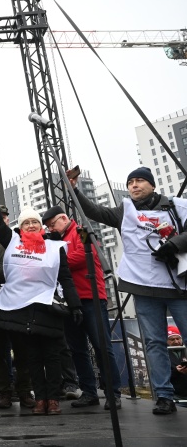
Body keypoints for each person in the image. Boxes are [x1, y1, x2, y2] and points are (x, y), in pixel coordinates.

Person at [71, 166, 187, 415]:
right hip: (143, 286)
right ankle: (164, 396)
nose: (134, 185)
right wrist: (73, 188)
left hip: (179, 286)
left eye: (140, 181)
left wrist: (174, 244)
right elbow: (95, 212)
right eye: (131, 182)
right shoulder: (126, 210)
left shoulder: (177, 206)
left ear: (152, 185)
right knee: (154, 343)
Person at [0, 184, 83, 416]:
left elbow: (66, 278)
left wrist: (75, 304)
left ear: (41, 226)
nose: (30, 225)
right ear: (20, 226)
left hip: (47, 306)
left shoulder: (54, 247)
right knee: (32, 358)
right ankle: (40, 399)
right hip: (21, 308)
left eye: (34, 222)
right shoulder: (13, 242)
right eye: (26, 222)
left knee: (52, 356)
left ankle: (53, 399)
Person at [42, 205, 123, 410]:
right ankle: (89, 391)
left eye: (53, 224)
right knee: (77, 349)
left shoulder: (83, 232)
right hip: (70, 299)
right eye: (49, 227)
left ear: (63, 218)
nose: (52, 229)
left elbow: (86, 256)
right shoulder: (56, 239)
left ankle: (113, 393)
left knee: (101, 346)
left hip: (90, 296)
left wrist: (57, 261)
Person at [0, 207, 35, 410]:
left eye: (5, 217)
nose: (2, 220)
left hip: (17, 299)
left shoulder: (17, 239)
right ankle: (4, 392)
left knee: (22, 349)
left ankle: (24, 391)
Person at [167, 326, 187, 397]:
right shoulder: (163, 354)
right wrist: (176, 371)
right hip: (175, 393)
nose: (176, 342)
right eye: (172, 339)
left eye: (178, 338)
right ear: (166, 341)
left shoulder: (185, 350)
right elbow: (162, 375)